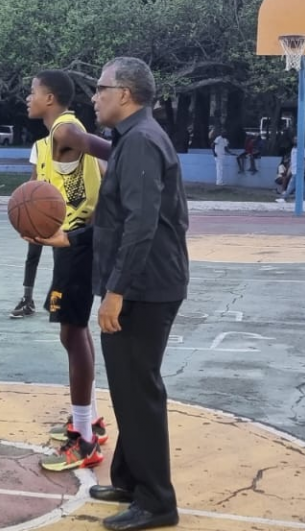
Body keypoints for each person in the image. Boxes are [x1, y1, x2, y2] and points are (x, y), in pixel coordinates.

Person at [41, 57, 187, 531]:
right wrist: (72, 239)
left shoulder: (142, 141)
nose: (94, 97)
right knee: (127, 388)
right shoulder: (132, 139)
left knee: (138, 391)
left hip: (145, 288)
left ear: (124, 94)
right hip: (142, 283)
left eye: (101, 88)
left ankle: (157, 502)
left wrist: (116, 292)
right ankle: (128, 478)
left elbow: (142, 227)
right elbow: (117, 220)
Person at [23, 69, 114, 472]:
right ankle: (88, 419)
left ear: (51, 98)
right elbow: (35, 194)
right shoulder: (45, 144)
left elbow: (112, 151)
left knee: (72, 333)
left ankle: (85, 440)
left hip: (80, 244)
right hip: (68, 245)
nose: (28, 98)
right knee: (74, 332)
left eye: (33, 92)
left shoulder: (65, 130)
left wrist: (135, 151)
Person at [12, 146, 44, 320]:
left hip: (66, 210)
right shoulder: (41, 146)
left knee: (62, 260)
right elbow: (35, 176)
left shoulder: (73, 142)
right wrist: (23, 200)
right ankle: (28, 300)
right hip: (41, 210)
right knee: (32, 255)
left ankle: (58, 300)